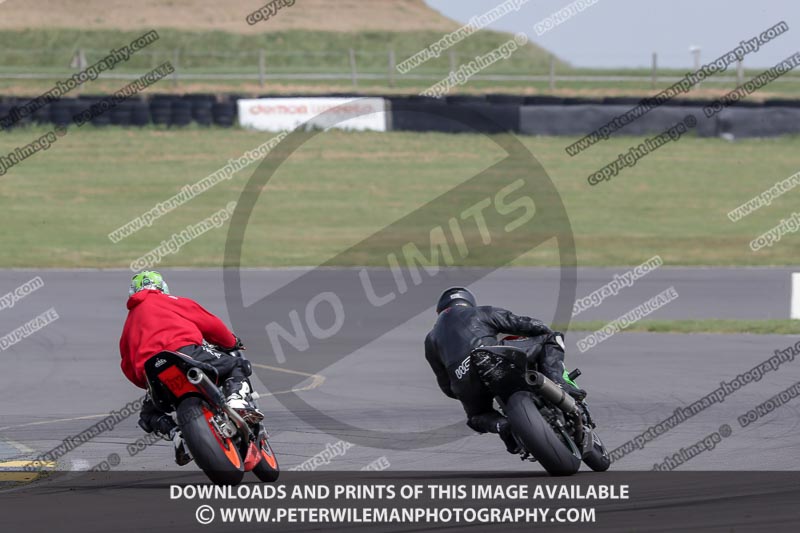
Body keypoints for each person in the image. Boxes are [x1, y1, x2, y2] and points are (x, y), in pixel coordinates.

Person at [424, 287, 586, 454]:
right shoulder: (480, 312)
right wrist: (543, 330)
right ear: (469, 303)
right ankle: (559, 383)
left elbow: (446, 387)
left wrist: (466, 388)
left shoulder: (431, 339)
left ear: (440, 311)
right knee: (552, 338)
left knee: (476, 417)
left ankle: (502, 425)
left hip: (463, 380)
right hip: (493, 359)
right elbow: (529, 325)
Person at [119, 271, 260, 443]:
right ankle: (236, 400)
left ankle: (178, 438)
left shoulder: (128, 324)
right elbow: (211, 324)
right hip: (184, 352)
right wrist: (231, 342)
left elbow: (127, 366)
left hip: (152, 372)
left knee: (148, 415)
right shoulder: (170, 301)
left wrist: (145, 381)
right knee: (236, 365)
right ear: (163, 287)